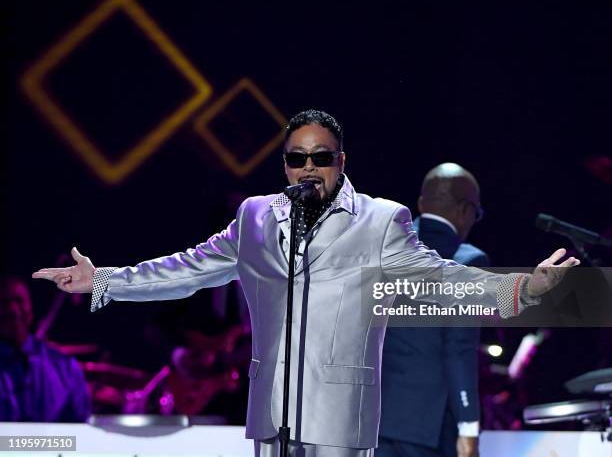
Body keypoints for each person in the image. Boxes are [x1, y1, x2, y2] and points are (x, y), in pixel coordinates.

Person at [33, 110, 578, 456]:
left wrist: (522, 289)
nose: (308, 168)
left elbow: (442, 279)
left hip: (339, 417)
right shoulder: (254, 217)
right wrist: (104, 279)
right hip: (271, 415)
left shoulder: (380, 220)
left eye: (321, 157)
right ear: (285, 164)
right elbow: (184, 270)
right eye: (297, 159)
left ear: (341, 161)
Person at [379, 163, 488, 457]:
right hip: (430, 429)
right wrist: (468, 427)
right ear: (465, 211)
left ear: (421, 204)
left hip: (370, 421)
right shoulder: (468, 262)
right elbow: (459, 350)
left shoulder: (382, 247)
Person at [0, 276, 91, 422]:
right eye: (4, 303)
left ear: (30, 308)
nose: (12, 309)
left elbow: (80, 431)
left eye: (18, 301)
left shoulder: (65, 367)